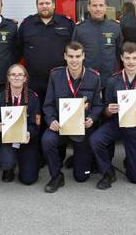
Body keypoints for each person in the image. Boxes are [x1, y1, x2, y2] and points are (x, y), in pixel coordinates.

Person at [89, 42, 136, 189]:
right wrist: (109, 110)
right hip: (117, 123)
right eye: (127, 58)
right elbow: (105, 108)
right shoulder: (113, 80)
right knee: (96, 140)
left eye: (134, 58)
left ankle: (131, 160)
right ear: (121, 58)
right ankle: (108, 172)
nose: (131, 62)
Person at [41, 41, 103, 193]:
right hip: (61, 127)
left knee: (81, 177)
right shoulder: (55, 75)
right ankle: (56, 176)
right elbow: (48, 104)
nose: (74, 60)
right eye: (70, 56)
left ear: (83, 56)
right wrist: (51, 120)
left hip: (82, 130)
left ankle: (78, 159)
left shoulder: (94, 77)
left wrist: (92, 118)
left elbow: (98, 105)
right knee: (47, 140)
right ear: (65, 56)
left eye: (77, 56)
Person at [17, 0, 75, 103]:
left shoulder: (66, 23)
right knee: (36, 112)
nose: (44, 6)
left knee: (59, 111)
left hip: (61, 79)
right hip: (34, 82)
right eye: (41, 3)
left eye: (47, 3)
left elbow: (74, 49)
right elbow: (18, 49)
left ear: (53, 5)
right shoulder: (27, 24)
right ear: (37, 6)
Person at [0, 64, 42, 185]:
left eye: (20, 75)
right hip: (6, 141)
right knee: (7, 161)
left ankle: (25, 161)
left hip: (26, 142)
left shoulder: (33, 97)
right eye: (13, 75)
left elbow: (36, 124)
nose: (16, 77)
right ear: (8, 78)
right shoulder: (0, 97)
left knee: (28, 179)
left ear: (25, 78)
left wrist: (29, 133)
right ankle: (9, 168)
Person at [72, 0, 122, 88]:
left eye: (101, 5)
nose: (98, 9)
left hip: (111, 80)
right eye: (94, 5)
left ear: (105, 7)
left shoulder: (115, 27)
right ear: (88, 7)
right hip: (87, 80)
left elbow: (119, 52)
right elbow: (74, 54)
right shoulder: (80, 28)